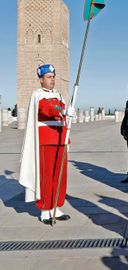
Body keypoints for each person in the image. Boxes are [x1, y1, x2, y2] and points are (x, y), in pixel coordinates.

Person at [18, 64, 74, 224]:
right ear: (41, 80)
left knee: (60, 176)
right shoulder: (38, 95)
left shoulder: (58, 95)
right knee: (46, 177)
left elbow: (62, 110)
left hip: (60, 140)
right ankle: (45, 209)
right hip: (46, 141)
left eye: (53, 77)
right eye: (49, 77)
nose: (52, 80)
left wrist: (68, 112)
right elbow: (47, 109)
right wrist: (62, 110)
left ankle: (56, 207)